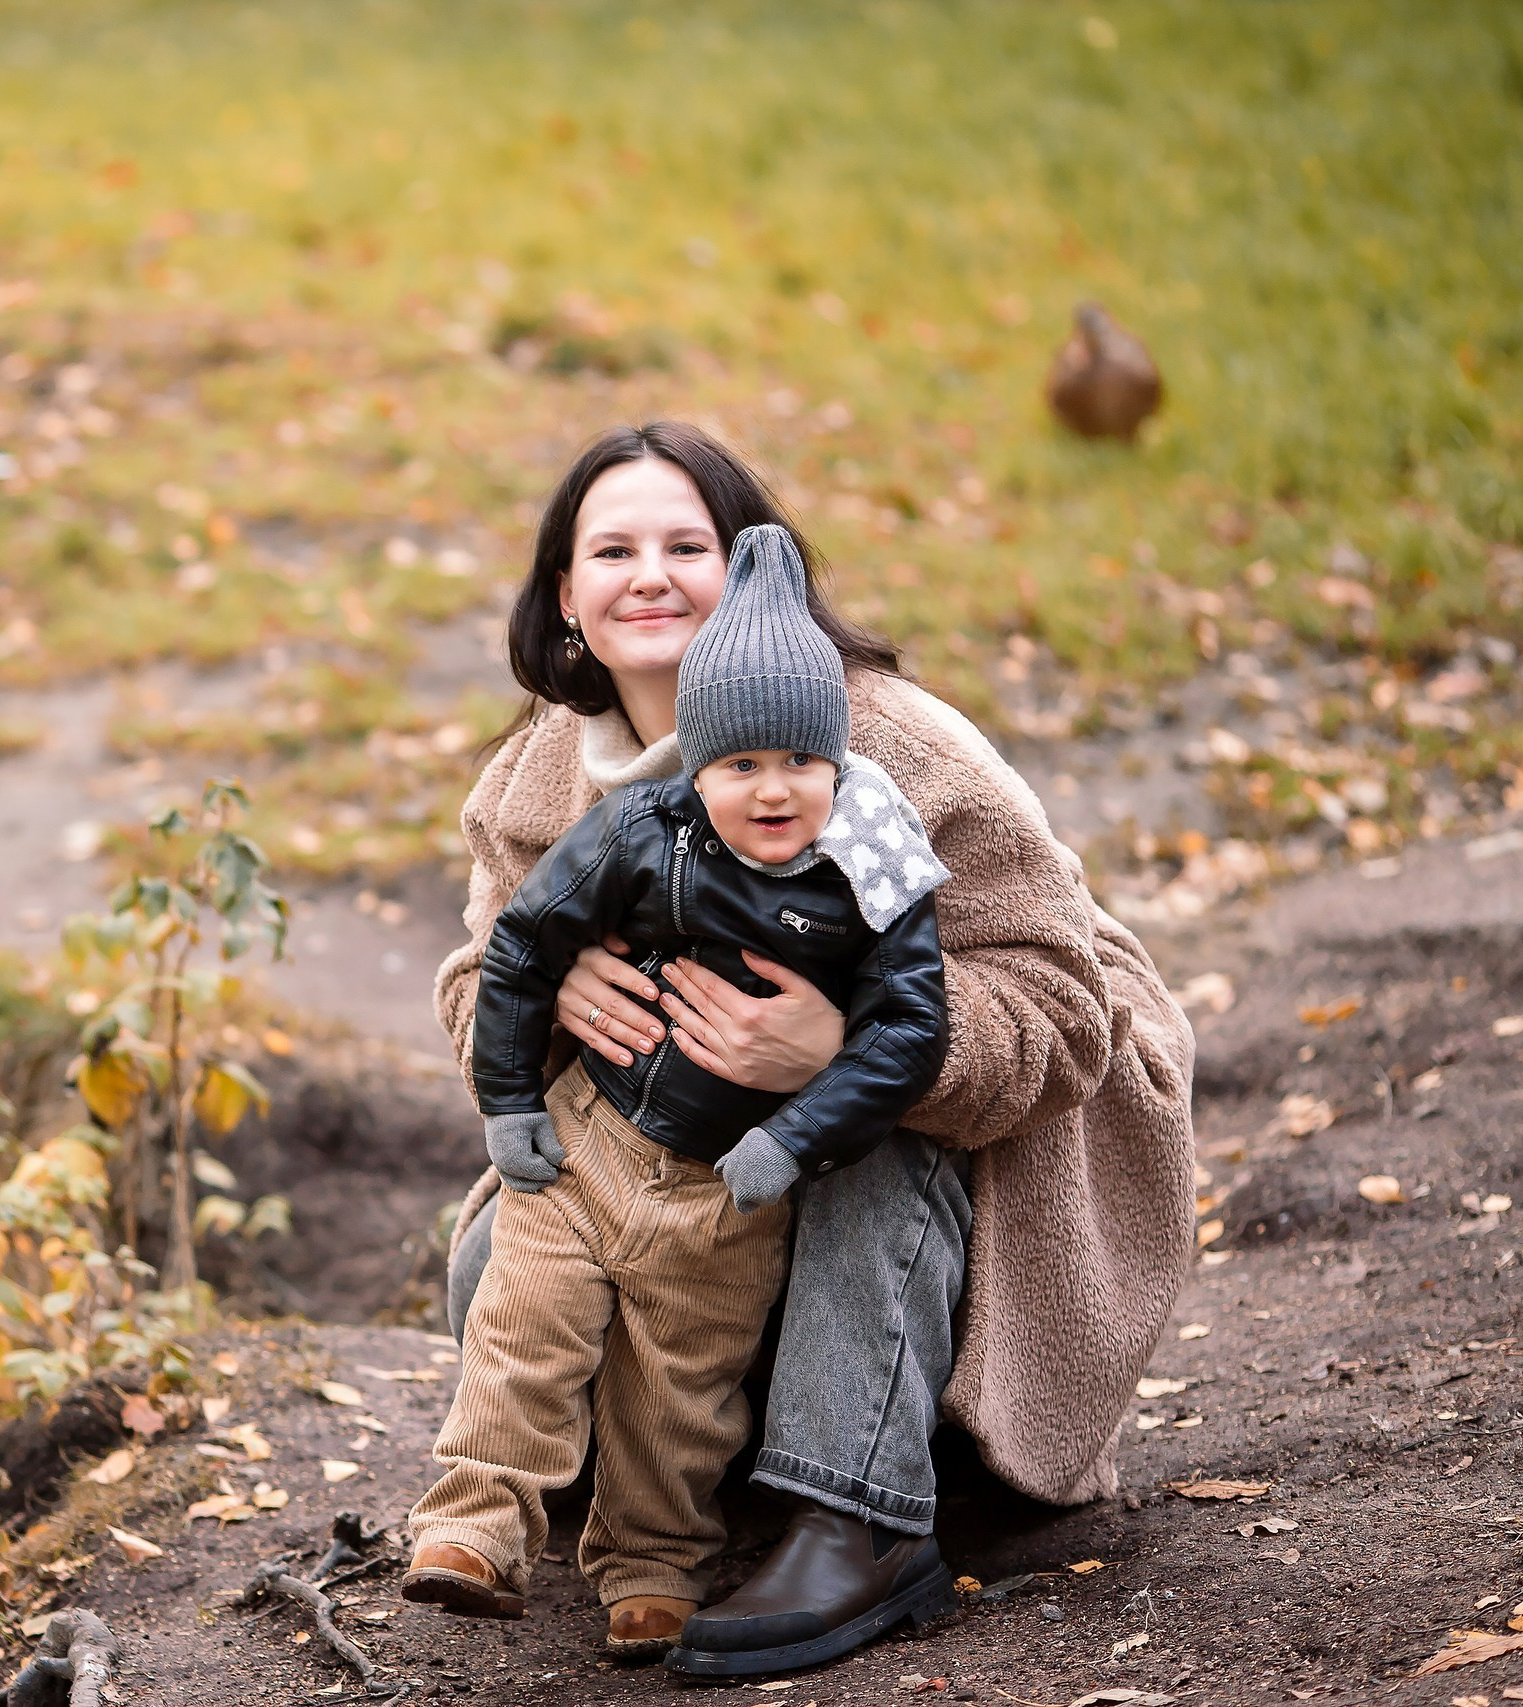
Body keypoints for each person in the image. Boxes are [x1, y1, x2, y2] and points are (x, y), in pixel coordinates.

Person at [429, 422, 1197, 1675]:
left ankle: (858, 1518)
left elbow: (1066, 1005)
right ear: (563, 597)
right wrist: (550, 983)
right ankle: (695, 1491)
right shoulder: (536, 783)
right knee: (492, 1276)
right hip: (686, 1159)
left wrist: (842, 1047)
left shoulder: (881, 746)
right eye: (610, 549)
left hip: (985, 1131)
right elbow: (476, 981)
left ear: (753, 574)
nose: (648, 575)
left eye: (689, 544)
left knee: (866, 1128)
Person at [401, 521, 956, 1647]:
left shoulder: (879, 850)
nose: (771, 790)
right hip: (595, 1137)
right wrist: (512, 1097)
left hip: (730, 1186)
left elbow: (922, 1021)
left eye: (801, 763)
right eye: (739, 765)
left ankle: (657, 1571)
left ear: (839, 761)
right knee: (516, 1323)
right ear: (691, 764)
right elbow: (508, 951)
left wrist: (802, 1116)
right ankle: (472, 1528)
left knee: (680, 1393)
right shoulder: (634, 828)